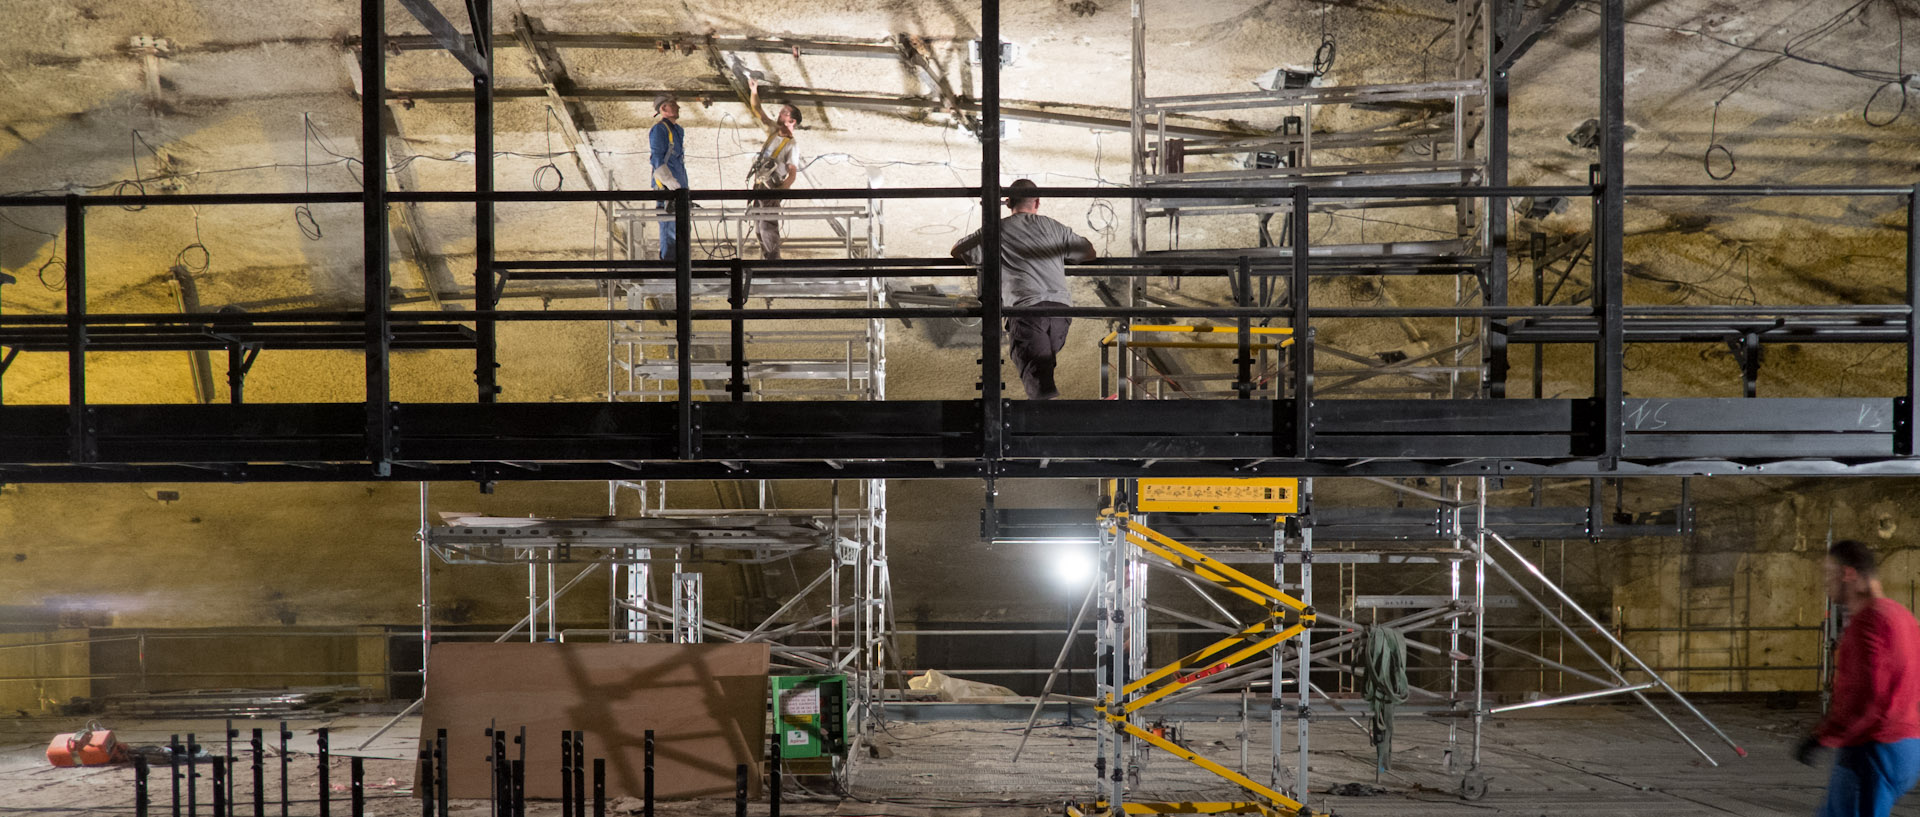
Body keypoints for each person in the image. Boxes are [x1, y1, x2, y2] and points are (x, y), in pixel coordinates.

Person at [1796, 538, 1920, 817]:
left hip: (1873, 750)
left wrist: (1822, 736)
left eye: (1829, 575)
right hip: (1907, 746)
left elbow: (1867, 697)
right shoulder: (1903, 616)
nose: (1825, 584)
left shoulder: (1867, 624)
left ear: (1848, 574)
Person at [950, 179, 1096, 400]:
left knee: (1039, 381)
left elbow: (958, 251)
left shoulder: (998, 229)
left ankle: (1048, 427)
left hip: (1027, 310)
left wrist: (990, 216)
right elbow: (1088, 253)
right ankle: (1048, 423)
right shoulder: (1055, 227)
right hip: (1060, 312)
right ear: (1037, 202)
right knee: (1042, 373)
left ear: (1008, 203)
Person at [745, 78, 799, 260]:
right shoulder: (774, 131)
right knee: (759, 226)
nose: (780, 113)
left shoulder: (792, 144)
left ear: (791, 121)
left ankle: (774, 263)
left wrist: (779, 193)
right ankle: (767, 260)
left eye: (784, 113)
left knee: (767, 226)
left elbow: (792, 174)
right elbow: (758, 110)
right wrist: (754, 91)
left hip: (771, 187)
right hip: (760, 185)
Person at [648, 94, 688, 260]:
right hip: (667, 188)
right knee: (669, 227)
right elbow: (656, 159)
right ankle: (669, 267)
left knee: (682, 228)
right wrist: (669, 181)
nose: (678, 106)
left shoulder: (678, 130)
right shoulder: (659, 129)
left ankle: (681, 266)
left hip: (679, 187)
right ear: (663, 109)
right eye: (673, 104)